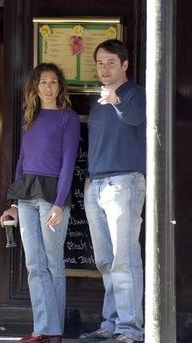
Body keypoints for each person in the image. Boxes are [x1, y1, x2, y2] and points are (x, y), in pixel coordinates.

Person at [0, 63, 80, 343]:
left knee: (53, 263)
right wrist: (13, 203)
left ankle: (53, 331)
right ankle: (41, 328)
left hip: (52, 198)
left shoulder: (67, 118)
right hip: (27, 197)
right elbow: (22, 162)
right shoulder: (29, 117)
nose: (48, 87)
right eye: (43, 82)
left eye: (53, 82)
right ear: (35, 87)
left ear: (60, 87)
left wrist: (59, 203)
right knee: (34, 264)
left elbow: (69, 163)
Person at [80, 39, 146, 343]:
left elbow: (137, 118)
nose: (104, 68)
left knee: (125, 258)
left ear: (124, 65)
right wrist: (89, 179)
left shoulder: (136, 94)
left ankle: (130, 330)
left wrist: (116, 100)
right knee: (105, 260)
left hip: (125, 183)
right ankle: (112, 323)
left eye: (110, 62)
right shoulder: (98, 100)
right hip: (97, 184)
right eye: (99, 63)